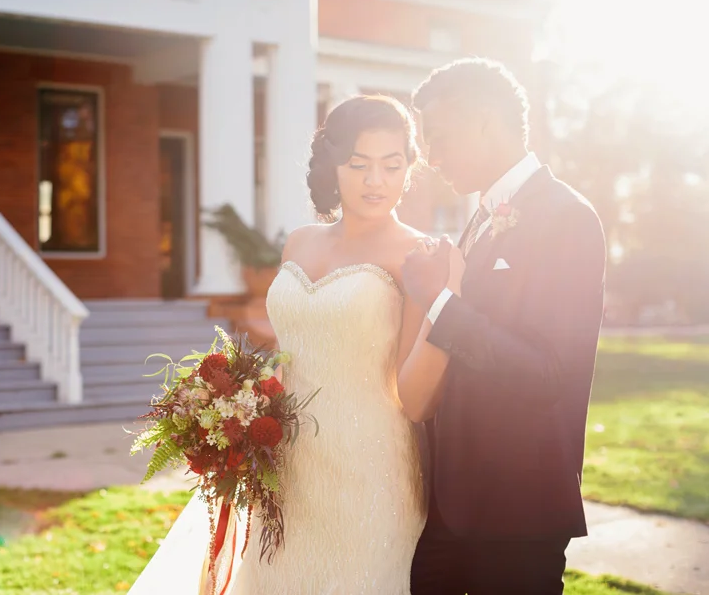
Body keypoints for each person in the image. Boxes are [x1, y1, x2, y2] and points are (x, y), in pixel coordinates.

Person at [398, 58, 607, 594]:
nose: (429, 157)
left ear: (486, 122)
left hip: (518, 515)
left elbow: (545, 374)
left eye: (438, 138)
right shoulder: (479, 216)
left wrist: (438, 301)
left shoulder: (569, 217)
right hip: (450, 508)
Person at [229, 94, 429, 594]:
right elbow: (291, 347)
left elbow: (414, 392)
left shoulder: (418, 255)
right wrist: (237, 406)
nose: (375, 180)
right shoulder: (299, 242)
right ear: (333, 166)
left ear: (409, 167)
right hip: (286, 469)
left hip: (370, 469)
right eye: (358, 164)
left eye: (392, 164)